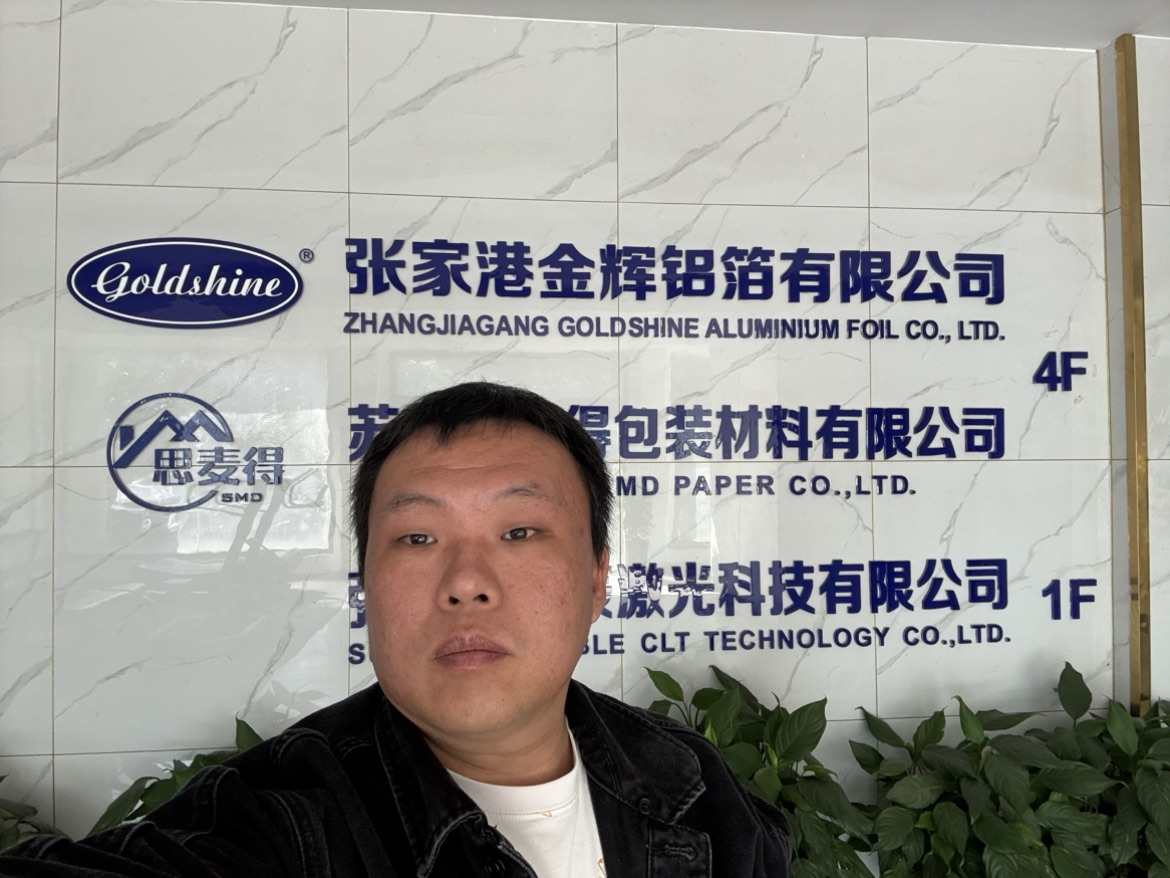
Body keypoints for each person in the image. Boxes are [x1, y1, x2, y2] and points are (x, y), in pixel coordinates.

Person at [1, 382, 790, 877]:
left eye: (520, 532)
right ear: (367, 586)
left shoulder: (688, 781)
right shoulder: (285, 821)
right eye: (417, 538)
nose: (467, 582)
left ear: (594, 582)